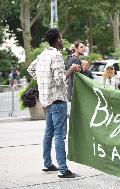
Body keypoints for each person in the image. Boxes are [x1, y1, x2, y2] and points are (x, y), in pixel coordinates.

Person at [27, 28, 80, 178]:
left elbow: (31, 69)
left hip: (47, 101)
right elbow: (59, 80)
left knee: (48, 133)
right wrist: (71, 69)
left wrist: (43, 82)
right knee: (59, 135)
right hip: (57, 100)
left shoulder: (43, 54)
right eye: (61, 38)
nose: (62, 41)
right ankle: (63, 170)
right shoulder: (56, 55)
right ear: (57, 40)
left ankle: (48, 164)